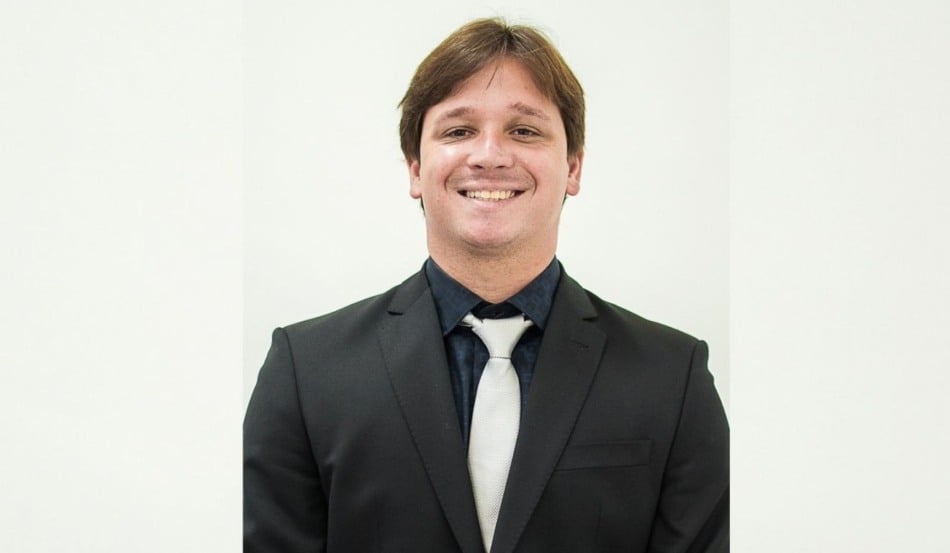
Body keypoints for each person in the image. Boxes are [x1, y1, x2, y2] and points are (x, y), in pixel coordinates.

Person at [244, 17, 728, 553]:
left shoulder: (672, 377)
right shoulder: (305, 371)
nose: (490, 155)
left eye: (524, 131)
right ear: (415, 168)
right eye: (458, 131)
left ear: (573, 167)